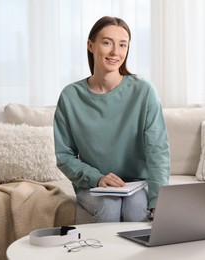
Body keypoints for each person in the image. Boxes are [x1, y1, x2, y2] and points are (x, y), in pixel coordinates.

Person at [53, 16, 170, 223]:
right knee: (109, 205)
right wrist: (97, 178)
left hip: (137, 185)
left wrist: (159, 200)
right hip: (93, 186)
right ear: (91, 45)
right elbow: (64, 156)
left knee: (135, 209)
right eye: (107, 43)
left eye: (122, 45)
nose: (116, 52)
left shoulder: (144, 91)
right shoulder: (70, 97)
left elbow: (157, 150)